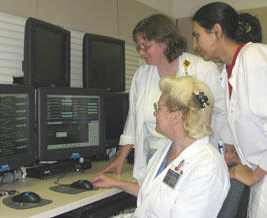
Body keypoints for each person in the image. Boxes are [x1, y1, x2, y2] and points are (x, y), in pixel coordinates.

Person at [100, 13, 232, 183]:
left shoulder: (202, 69)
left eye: (145, 47)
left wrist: (229, 150)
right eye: (138, 48)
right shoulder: (142, 75)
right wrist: (121, 158)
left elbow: (222, 115)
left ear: (165, 41)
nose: (141, 53)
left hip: (192, 161)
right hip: (154, 160)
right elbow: (133, 119)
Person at [93, 76, 230, 218]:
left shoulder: (207, 168)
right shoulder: (168, 149)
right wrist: (118, 183)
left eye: (158, 107)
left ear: (176, 116)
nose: (154, 113)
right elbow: (155, 195)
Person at [192, 2, 267, 218]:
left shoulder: (255, 57)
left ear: (216, 32)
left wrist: (254, 174)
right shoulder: (227, 72)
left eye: (197, 35)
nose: (194, 44)